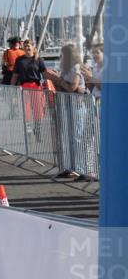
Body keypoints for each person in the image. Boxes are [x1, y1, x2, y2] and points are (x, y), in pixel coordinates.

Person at [54, 43, 95, 181]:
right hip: (69, 104)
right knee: (70, 137)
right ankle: (71, 167)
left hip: (77, 106)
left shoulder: (76, 68)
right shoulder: (67, 69)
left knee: (77, 138)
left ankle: (81, 169)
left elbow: (73, 87)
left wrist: (59, 80)